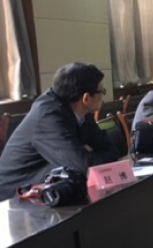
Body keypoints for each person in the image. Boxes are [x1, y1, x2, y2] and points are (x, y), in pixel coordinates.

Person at [0, 63, 123, 201]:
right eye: (102, 91)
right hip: (14, 198)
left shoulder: (81, 111)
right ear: (86, 98)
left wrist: (93, 157)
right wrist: (96, 158)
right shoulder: (48, 118)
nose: (103, 96)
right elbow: (83, 166)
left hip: (48, 190)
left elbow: (110, 149)